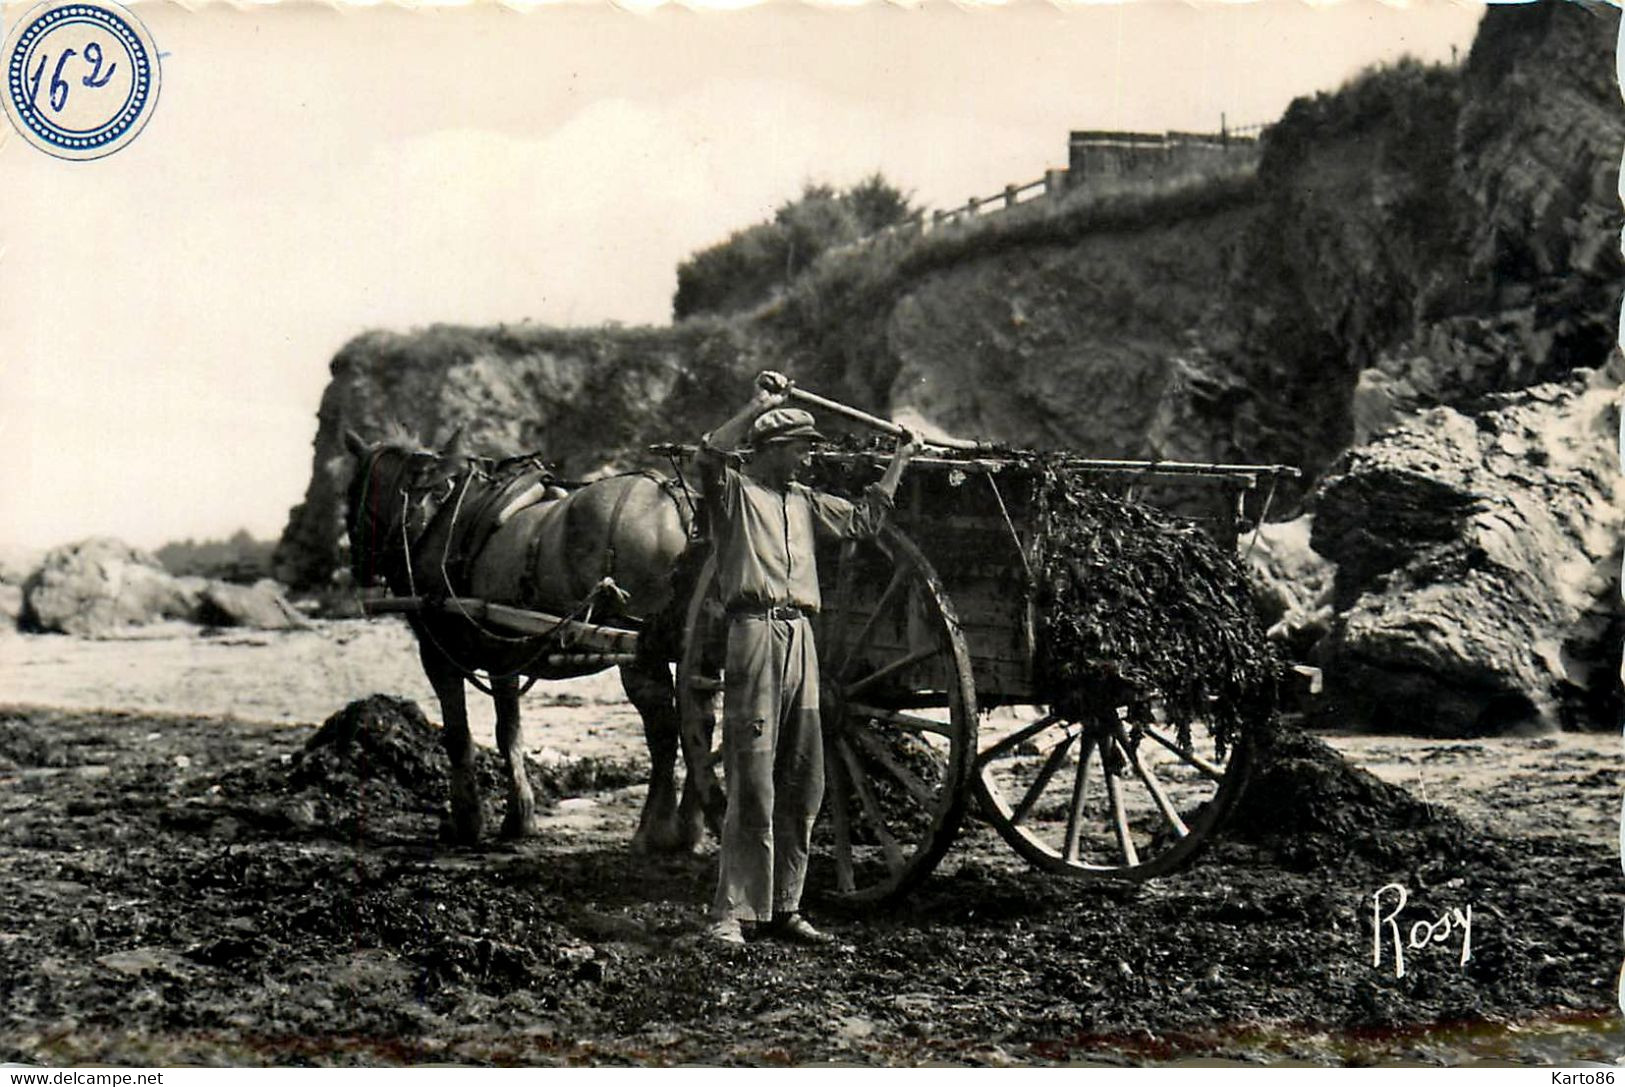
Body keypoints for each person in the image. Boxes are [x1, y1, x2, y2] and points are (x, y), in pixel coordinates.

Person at [696, 371, 919, 947]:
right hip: (754, 638)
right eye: (799, 450)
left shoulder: (804, 502)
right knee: (753, 775)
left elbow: (867, 522)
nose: (806, 461)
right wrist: (758, 404)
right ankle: (730, 913)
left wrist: (901, 458)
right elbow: (711, 451)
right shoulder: (734, 494)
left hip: (802, 640)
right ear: (770, 451)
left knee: (805, 776)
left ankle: (786, 907)